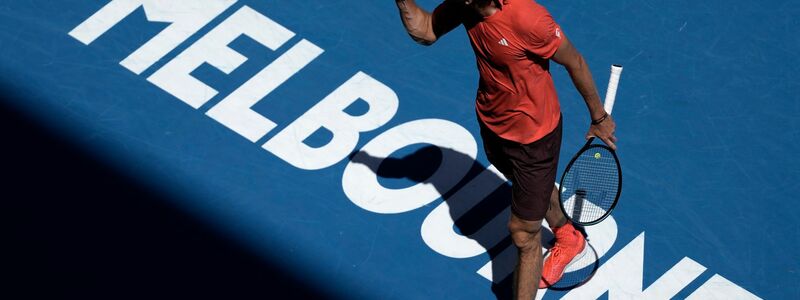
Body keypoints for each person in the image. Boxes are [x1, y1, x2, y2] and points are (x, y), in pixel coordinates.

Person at [392, 0, 618, 298]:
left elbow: (574, 61)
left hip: (535, 138)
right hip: (493, 123)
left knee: (523, 234)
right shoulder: (466, 5)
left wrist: (598, 117)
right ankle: (568, 236)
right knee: (525, 185)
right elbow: (426, 31)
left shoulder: (529, 18)